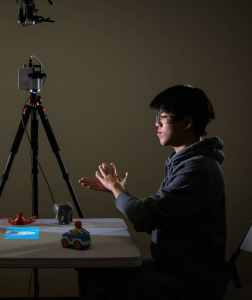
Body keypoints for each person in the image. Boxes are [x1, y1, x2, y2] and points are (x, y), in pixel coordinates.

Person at [78, 85, 233, 299]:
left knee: (101, 287)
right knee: (91, 271)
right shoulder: (184, 161)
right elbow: (155, 212)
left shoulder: (197, 169)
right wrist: (117, 191)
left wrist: (117, 188)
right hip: (170, 268)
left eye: (163, 117)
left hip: (192, 282)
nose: (156, 123)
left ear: (187, 122)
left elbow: (144, 218)